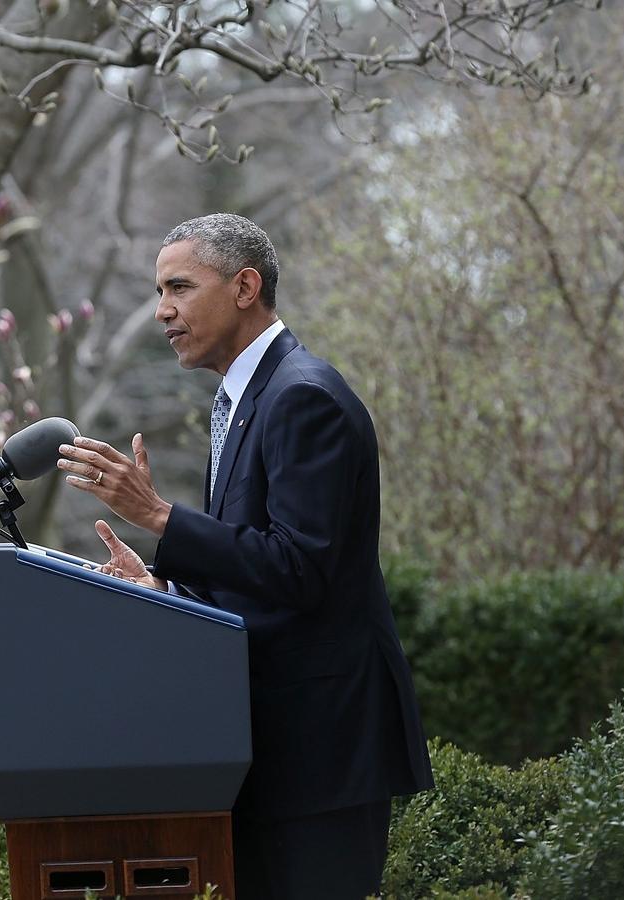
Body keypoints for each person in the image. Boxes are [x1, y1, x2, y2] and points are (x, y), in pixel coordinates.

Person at [55, 213, 433, 899]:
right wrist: (168, 591)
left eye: (178, 287)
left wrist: (158, 517)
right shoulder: (243, 397)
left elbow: (299, 568)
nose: (162, 311)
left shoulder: (302, 397)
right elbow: (255, 572)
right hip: (267, 751)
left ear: (244, 286)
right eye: (158, 290)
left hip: (320, 754)